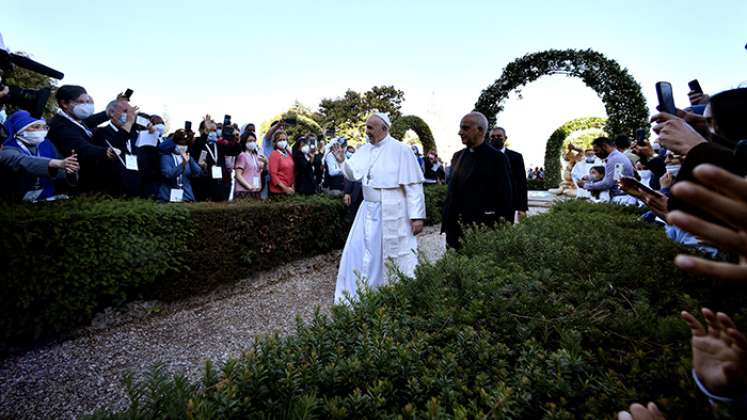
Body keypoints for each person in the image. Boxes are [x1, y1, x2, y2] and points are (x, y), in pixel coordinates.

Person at [331, 112, 426, 302]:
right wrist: (342, 161)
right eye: (366, 127)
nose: (367, 132)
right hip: (367, 209)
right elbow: (353, 175)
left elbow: (413, 186)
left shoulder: (401, 150)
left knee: (387, 254)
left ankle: (388, 294)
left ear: (384, 128)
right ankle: (362, 291)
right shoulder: (365, 149)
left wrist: (417, 217)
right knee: (360, 250)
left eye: (370, 128)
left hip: (392, 209)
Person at [442, 112, 513, 249]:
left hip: (481, 230)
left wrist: (503, 231)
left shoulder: (497, 159)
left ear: (480, 130)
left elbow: (506, 197)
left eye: (465, 128)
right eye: (460, 128)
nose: (460, 132)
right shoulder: (457, 156)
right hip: (454, 230)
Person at [47, 85, 115, 193]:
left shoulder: (74, 119)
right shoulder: (60, 124)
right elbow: (80, 147)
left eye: (88, 101)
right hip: (73, 183)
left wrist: (108, 113)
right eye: (81, 102)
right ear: (64, 103)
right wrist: (104, 152)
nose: (86, 105)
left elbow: (88, 122)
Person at [0, 110, 79, 201]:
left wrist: (69, 170)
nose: (42, 131)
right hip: (14, 201)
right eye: (36, 127)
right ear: (20, 128)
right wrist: (56, 163)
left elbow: (62, 166)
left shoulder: (46, 144)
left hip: (48, 196)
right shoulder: (6, 148)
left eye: (45, 127)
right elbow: (23, 161)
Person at [91, 99, 140, 196]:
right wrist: (128, 123)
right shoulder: (100, 132)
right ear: (112, 113)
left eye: (131, 112)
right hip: (111, 191)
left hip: (134, 188)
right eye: (126, 111)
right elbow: (113, 149)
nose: (130, 115)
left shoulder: (134, 134)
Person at [577, 136, 635, 205]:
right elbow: (614, 178)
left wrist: (586, 185)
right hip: (622, 197)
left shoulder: (614, 159)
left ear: (604, 146)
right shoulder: (616, 157)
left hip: (621, 199)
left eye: (596, 150)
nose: (595, 154)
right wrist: (589, 178)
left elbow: (607, 184)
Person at [489, 127, 528, 222]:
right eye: (493, 137)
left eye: (499, 136)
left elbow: (521, 183)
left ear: (505, 138)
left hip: (508, 204)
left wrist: (522, 207)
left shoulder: (516, 157)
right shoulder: (482, 157)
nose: (496, 138)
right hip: (487, 204)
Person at [158, 129, 201, 202]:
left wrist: (189, 159)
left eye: (185, 145)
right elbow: (168, 174)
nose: (182, 147)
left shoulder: (188, 157)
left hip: (186, 196)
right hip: (168, 196)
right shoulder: (166, 157)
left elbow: (197, 172)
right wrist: (183, 164)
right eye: (180, 144)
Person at [233, 132, 265, 200]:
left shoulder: (256, 156)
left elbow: (260, 170)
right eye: (250, 141)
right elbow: (238, 175)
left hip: (256, 190)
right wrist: (249, 186)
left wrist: (266, 163)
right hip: (244, 191)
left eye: (254, 141)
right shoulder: (242, 155)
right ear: (244, 142)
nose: (252, 143)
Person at [268, 130, 295, 197]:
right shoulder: (274, 154)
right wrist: (285, 188)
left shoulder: (288, 153)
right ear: (275, 142)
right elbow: (273, 174)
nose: (283, 141)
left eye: (284, 139)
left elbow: (292, 171)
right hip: (278, 191)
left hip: (290, 189)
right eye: (280, 140)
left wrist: (292, 186)